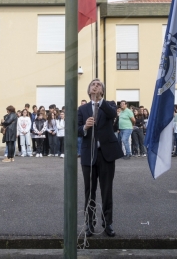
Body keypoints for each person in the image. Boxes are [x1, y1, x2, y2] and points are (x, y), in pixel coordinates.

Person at [77, 78, 124, 237]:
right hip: (88, 155)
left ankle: (108, 223)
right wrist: (84, 127)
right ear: (89, 90)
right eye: (93, 84)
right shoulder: (82, 109)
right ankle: (89, 223)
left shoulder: (109, 104)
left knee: (106, 190)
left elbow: (112, 115)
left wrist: (100, 101)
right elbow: (75, 129)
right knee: (89, 191)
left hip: (106, 154)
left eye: (98, 85)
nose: (95, 86)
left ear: (102, 91)